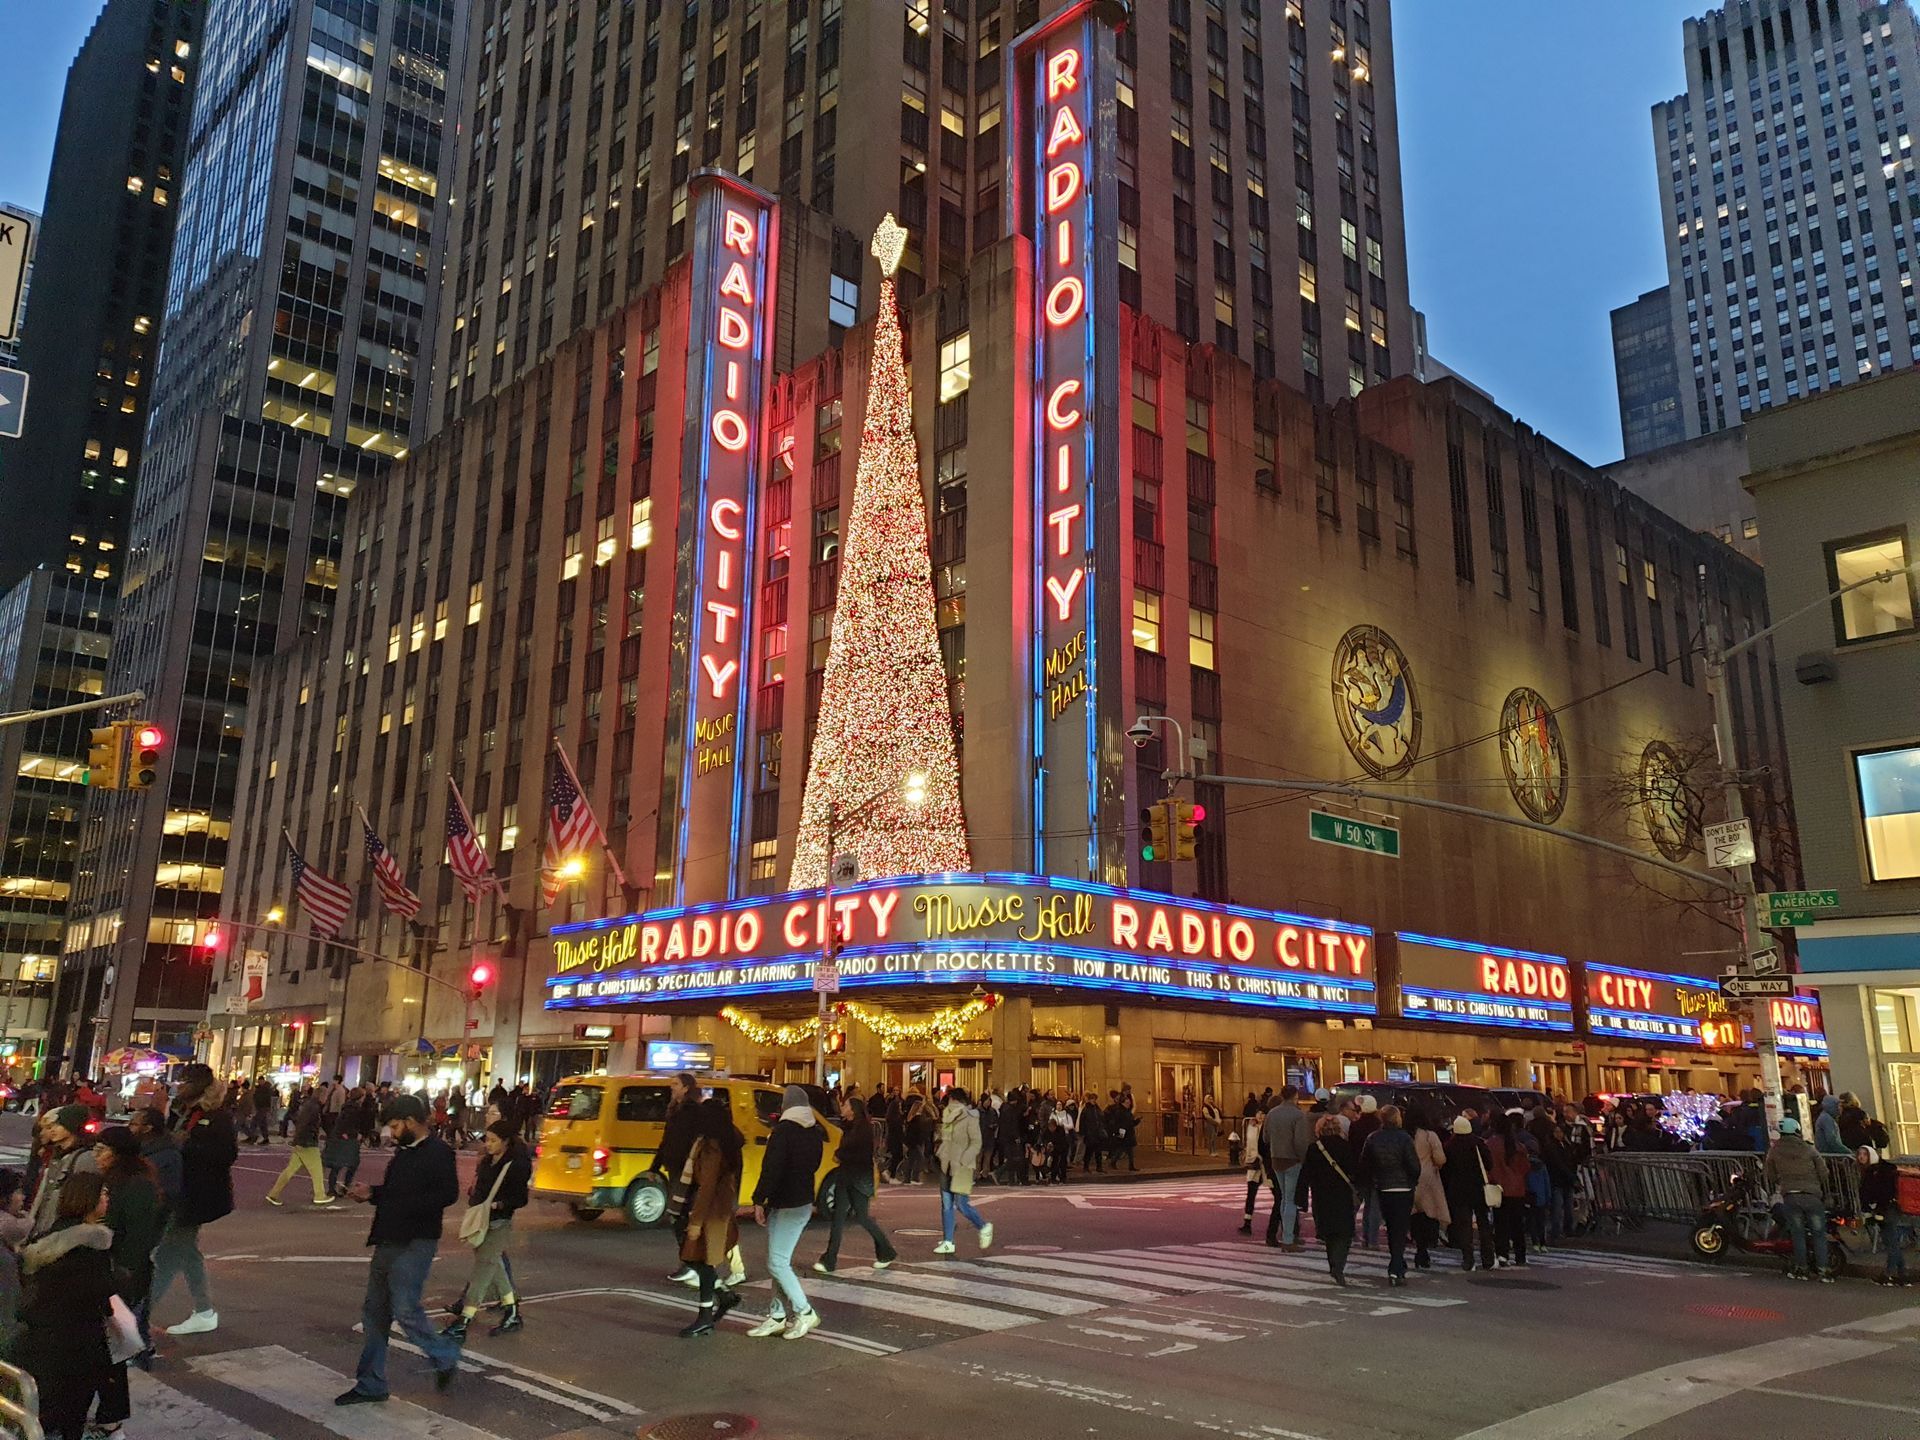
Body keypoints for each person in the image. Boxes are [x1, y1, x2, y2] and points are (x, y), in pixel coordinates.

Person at [337, 1094, 463, 1404]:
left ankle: (444, 1354)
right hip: (388, 1238)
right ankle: (371, 1383)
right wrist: (372, 1193)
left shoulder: (438, 1152)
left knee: (405, 1307)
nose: (392, 1133)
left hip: (415, 1241)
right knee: (375, 1313)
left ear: (410, 1121)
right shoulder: (403, 1153)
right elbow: (395, 1193)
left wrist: (404, 1205)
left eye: (395, 1126)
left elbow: (448, 1194)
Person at [19, 1173, 115, 1440]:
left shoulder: (48, 1236)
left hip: (42, 1335)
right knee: (73, 1409)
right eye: (103, 1193)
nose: (107, 1199)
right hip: (79, 1339)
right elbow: (99, 1292)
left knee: (47, 1406)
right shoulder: (92, 1244)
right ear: (88, 1199)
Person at [90, 1127, 163, 1434]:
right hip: (110, 1272)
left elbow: (138, 1237)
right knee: (108, 1346)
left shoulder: (135, 1185)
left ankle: (111, 1416)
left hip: (122, 1276)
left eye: (102, 1150)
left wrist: (122, 1274)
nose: (96, 1156)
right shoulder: (114, 1180)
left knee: (111, 1347)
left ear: (118, 1153)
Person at [153, 1068, 237, 1337]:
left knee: (168, 1254)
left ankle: (138, 1314)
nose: (179, 1086)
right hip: (177, 1190)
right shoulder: (181, 1111)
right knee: (187, 1252)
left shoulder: (217, 1116)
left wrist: (186, 1146)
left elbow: (227, 1154)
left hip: (198, 1195)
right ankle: (204, 1311)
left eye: (185, 1082)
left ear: (200, 1085)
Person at [744, 1085, 823, 1341]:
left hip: (785, 1202)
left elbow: (771, 1168)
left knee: (777, 1262)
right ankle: (777, 1315)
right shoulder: (814, 1132)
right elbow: (814, 1165)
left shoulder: (783, 1131)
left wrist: (759, 1199)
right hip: (802, 1200)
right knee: (780, 1261)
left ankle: (805, 1311)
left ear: (786, 1105)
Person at [444, 1120, 531, 1340]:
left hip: (499, 1223)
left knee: (483, 1271)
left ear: (506, 1141)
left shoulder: (516, 1164)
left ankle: (464, 1320)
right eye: (487, 1139)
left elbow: (520, 1198)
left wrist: (499, 1205)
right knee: (495, 1266)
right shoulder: (487, 1161)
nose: (488, 1144)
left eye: (493, 1140)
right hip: (481, 1221)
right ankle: (512, 1312)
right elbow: (479, 1189)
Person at [676, 1097, 748, 1338]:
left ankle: (706, 1316)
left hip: (711, 1211)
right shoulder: (725, 1142)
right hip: (719, 1208)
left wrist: (696, 1222)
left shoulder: (712, 1148)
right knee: (696, 1258)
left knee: (702, 1259)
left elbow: (706, 1187)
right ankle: (722, 1296)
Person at [815, 1095, 897, 1274]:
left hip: (859, 1179)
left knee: (862, 1217)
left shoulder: (863, 1129)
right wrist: (840, 1155)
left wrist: (840, 1155)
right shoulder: (849, 1127)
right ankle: (829, 1260)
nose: (842, 1107)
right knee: (838, 1217)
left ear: (853, 1110)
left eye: (845, 1105)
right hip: (845, 1176)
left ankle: (886, 1251)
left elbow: (859, 1154)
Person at [1763, 1115, 1833, 1282]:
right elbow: (1823, 1172)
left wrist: (1781, 1182)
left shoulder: (1774, 1150)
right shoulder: (1809, 1149)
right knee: (1818, 1233)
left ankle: (1802, 1269)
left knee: (1797, 1234)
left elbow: (1770, 1173)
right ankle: (1823, 1270)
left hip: (1791, 1196)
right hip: (1812, 1195)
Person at [1360, 1104, 1419, 1286]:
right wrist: (1412, 1181)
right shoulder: (1404, 1138)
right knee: (1400, 1228)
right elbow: (1414, 1165)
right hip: (1403, 1188)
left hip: (1383, 1187)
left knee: (1392, 1226)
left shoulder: (1373, 1138)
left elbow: (1365, 1164)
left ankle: (1398, 1263)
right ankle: (1396, 1267)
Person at [1297, 1115, 1359, 1285]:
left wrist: (1301, 1199)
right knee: (1344, 1232)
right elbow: (1353, 1169)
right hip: (1342, 1194)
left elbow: (1306, 1173)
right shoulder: (1345, 1146)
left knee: (1329, 1232)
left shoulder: (1314, 1148)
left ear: (1319, 1130)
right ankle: (1339, 1266)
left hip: (1321, 1194)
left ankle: (1333, 1263)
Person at [657, 1073, 707, 1286]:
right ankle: (691, 1263)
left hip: (687, 1171)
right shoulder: (674, 1110)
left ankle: (693, 1265)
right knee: (678, 1215)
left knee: (679, 1216)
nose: (672, 1087)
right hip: (676, 1169)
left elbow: (695, 1142)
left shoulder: (693, 1111)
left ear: (686, 1088)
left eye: (675, 1084)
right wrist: (655, 1166)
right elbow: (666, 1140)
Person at [933, 1085, 992, 1255]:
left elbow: (976, 1142)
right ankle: (948, 1241)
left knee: (961, 1204)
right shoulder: (947, 1116)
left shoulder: (970, 1117)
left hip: (962, 1166)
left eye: (951, 1100)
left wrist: (964, 1160)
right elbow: (945, 1139)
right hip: (946, 1164)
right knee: (946, 1204)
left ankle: (983, 1226)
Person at [28, 1106, 100, 1239]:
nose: (52, 1130)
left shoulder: (84, 1158)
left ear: (72, 1126)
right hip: (44, 1231)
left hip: (62, 1233)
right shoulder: (57, 1156)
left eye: (59, 1125)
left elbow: (82, 1202)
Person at [1442, 1115, 1496, 1271]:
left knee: (1463, 1225)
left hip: (1458, 1190)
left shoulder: (1449, 1146)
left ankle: (1468, 1259)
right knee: (1483, 1223)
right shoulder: (1478, 1143)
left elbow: (1445, 1170)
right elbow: (1489, 1164)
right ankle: (1488, 1258)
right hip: (1478, 1188)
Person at [266, 1084, 334, 1208]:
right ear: (322, 1096)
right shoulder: (314, 1108)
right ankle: (319, 1195)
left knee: (290, 1170)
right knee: (317, 1170)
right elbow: (308, 1125)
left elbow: (301, 1122)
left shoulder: (309, 1105)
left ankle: (273, 1193)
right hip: (307, 1142)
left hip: (301, 1141)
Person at [1262, 1085, 1313, 1250]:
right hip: (1292, 1159)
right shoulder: (1298, 1115)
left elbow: (1265, 1138)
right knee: (1290, 1200)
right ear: (1295, 1096)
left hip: (1276, 1158)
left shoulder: (1272, 1113)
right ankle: (1288, 1238)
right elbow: (1300, 1142)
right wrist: (1302, 1159)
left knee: (1284, 1198)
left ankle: (1287, 1236)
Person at [1857, 1145, 1910, 1287]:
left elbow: (1882, 1192)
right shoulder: (1874, 1170)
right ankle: (1903, 1274)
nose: (1861, 1157)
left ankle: (1889, 1274)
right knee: (1892, 1242)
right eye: (1860, 1154)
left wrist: (1876, 1209)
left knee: (1890, 1242)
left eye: (1865, 1154)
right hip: (1884, 1209)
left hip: (1887, 1209)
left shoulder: (1879, 1171)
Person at [1486, 1112, 1533, 1267]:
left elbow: (1488, 1166)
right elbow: (1526, 1167)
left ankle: (1502, 1253)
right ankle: (1520, 1255)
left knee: (1501, 1224)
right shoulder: (1518, 1145)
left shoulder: (1491, 1144)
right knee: (1517, 1224)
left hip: (1499, 1188)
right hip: (1517, 1188)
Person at [1409, 1105, 1451, 1272]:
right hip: (1428, 1177)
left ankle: (1418, 1245)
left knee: (1414, 1213)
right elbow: (1440, 1158)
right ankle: (1425, 1249)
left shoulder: (1405, 1135)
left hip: (1408, 1177)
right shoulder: (1429, 1135)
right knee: (1429, 1212)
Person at [129, 1107, 181, 1219]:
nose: (128, 1127)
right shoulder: (136, 1149)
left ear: (147, 1128)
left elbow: (169, 1192)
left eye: (133, 1124)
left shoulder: (168, 1156)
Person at [1348, 1096, 1383, 1248]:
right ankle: (1371, 1239)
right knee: (1374, 1206)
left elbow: (1351, 1148)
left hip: (1359, 1169)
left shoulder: (1355, 1126)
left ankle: (1352, 1232)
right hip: (1376, 1170)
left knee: (1355, 1204)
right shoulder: (1379, 1126)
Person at [323, 1095, 363, 1199]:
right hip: (347, 1140)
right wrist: (351, 1134)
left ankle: (333, 1189)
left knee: (337, 1165)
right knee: (351, 1164)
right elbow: (350, 1125)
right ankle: (345, 1187)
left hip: (339, 1138)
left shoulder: (345, 1108)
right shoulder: (355, 1110)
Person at [1238, 1104, 1267, 1235]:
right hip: (1253, 1164)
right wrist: (1247, 1158)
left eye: (1263, 1113)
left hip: (1265, 1164)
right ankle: (1247, 1222)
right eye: (1259, 1113)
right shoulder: (1251, 1127)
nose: (1260, 1116)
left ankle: (1287, 1224)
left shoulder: (1267, 1128)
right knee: (1251, 1193)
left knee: (1278, 1195)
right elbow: (1249, 1145)